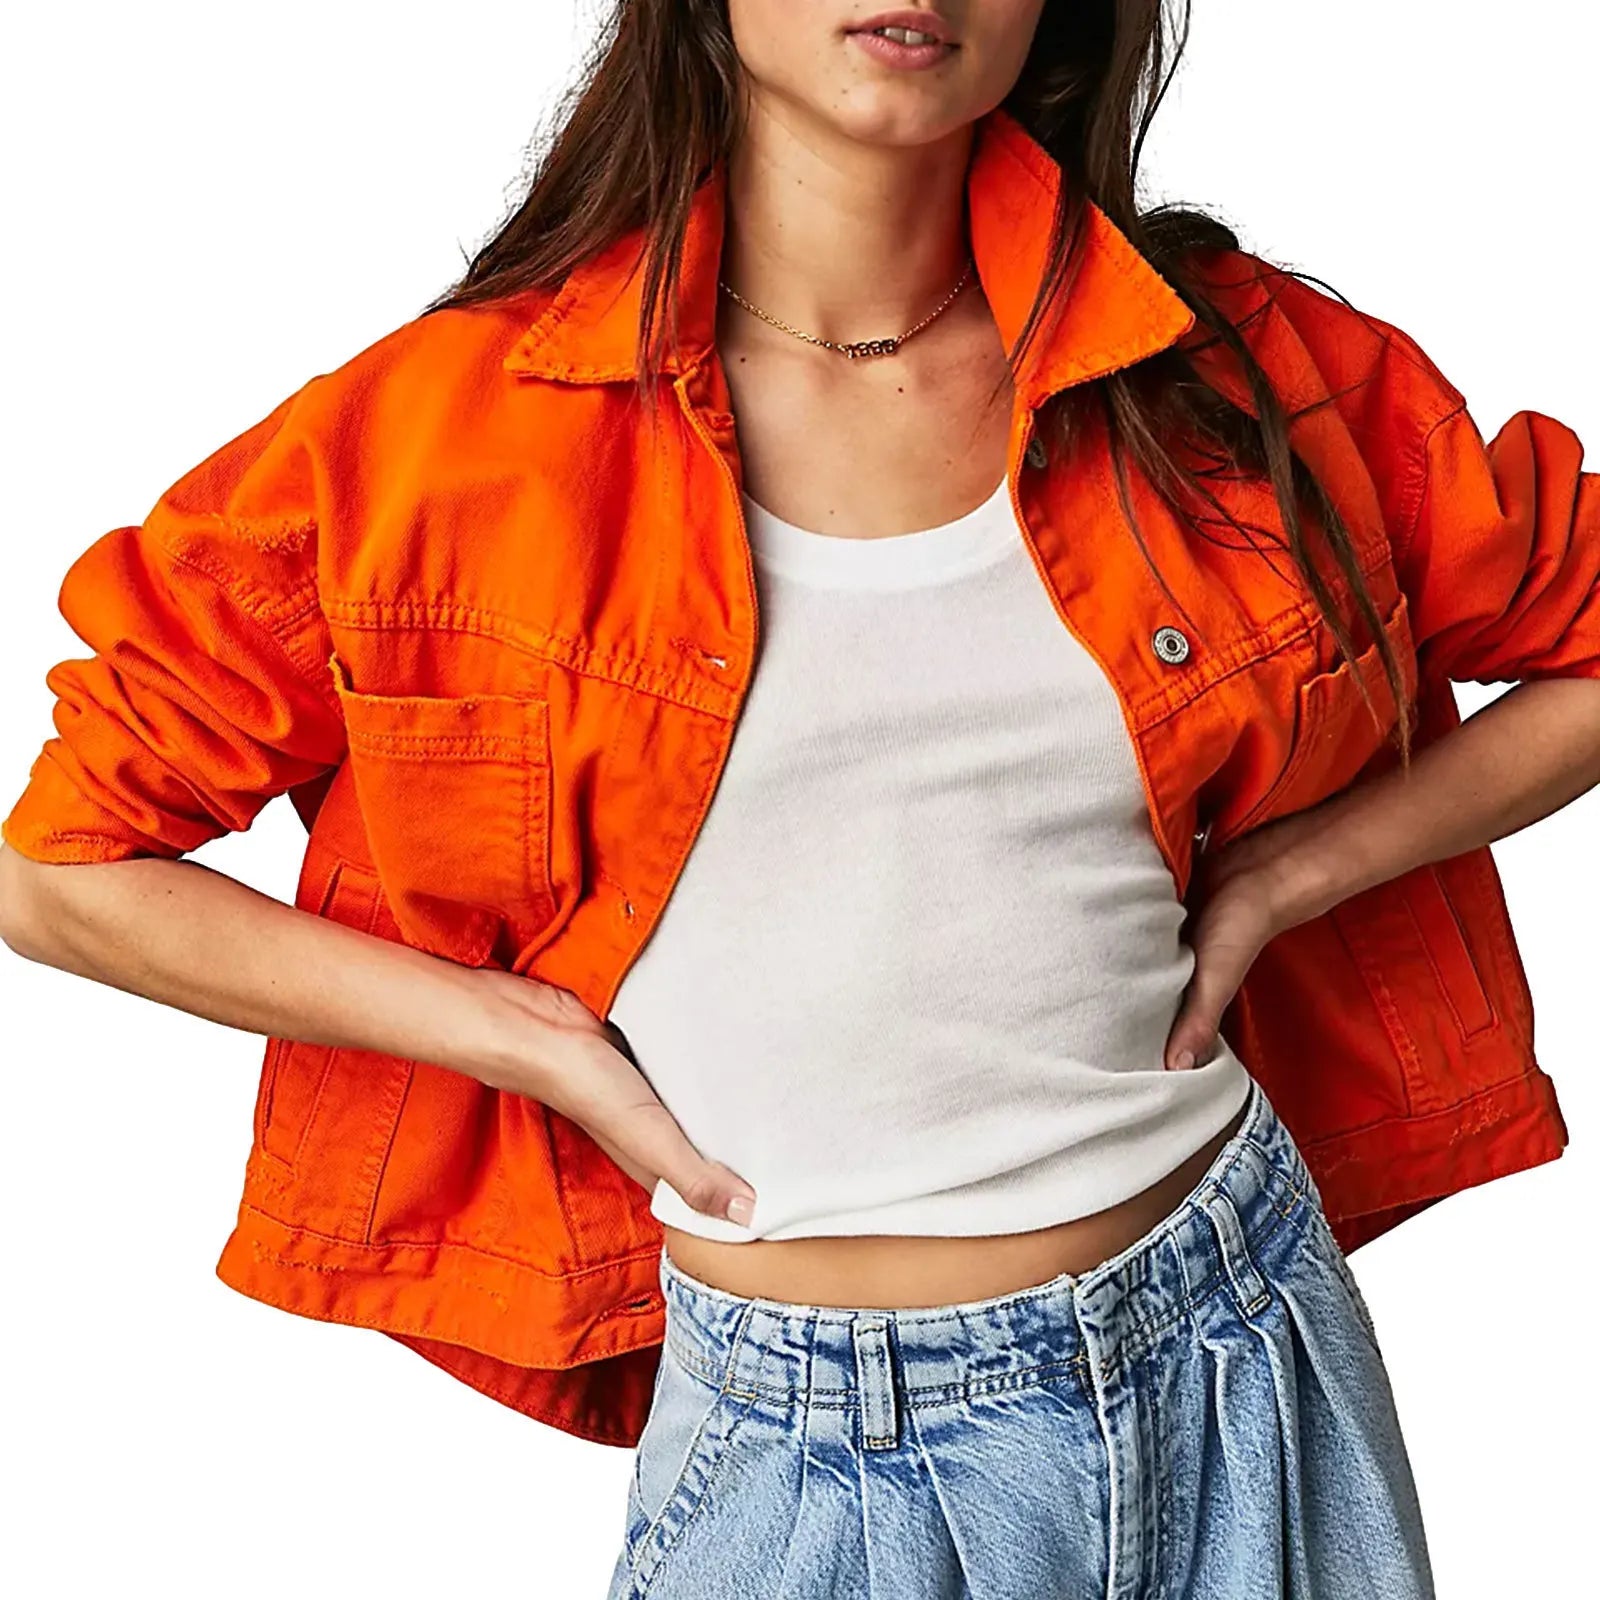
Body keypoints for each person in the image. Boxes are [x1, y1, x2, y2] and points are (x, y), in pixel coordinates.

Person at [1, 2, 1594, 1596]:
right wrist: (515, 1034)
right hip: (808, 1445)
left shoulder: (1233, 371)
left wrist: (1298, 871)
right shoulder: (434, 447)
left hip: (1237, 1349)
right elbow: (64, 869)